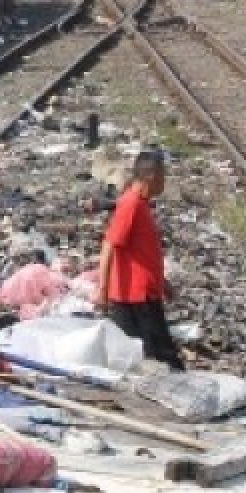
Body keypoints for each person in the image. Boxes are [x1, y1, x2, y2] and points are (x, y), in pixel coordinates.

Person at [96, 152, 183, 371]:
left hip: (145, 293)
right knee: (157, 356)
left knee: (155, 354)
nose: (165, 181)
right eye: (163, 176)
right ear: (152, 176)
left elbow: (141, 253)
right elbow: (109, 246)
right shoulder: (131, 204)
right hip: (134, 299)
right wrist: (103, 292)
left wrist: (163, 283)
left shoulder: (140, 204)